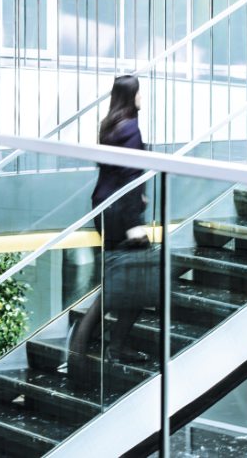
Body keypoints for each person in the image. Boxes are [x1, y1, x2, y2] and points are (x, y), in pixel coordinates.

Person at [69, 75, 155, 375]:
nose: (143, 97)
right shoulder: (130, 128)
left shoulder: (109, 124)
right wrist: (136, 225)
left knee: (118, 280)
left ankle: (82, 346)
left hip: (104, 207)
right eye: (141, 92)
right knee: (139, 281)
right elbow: (130, 178)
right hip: (122, 214)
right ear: (132, 96)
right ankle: (106, 345)